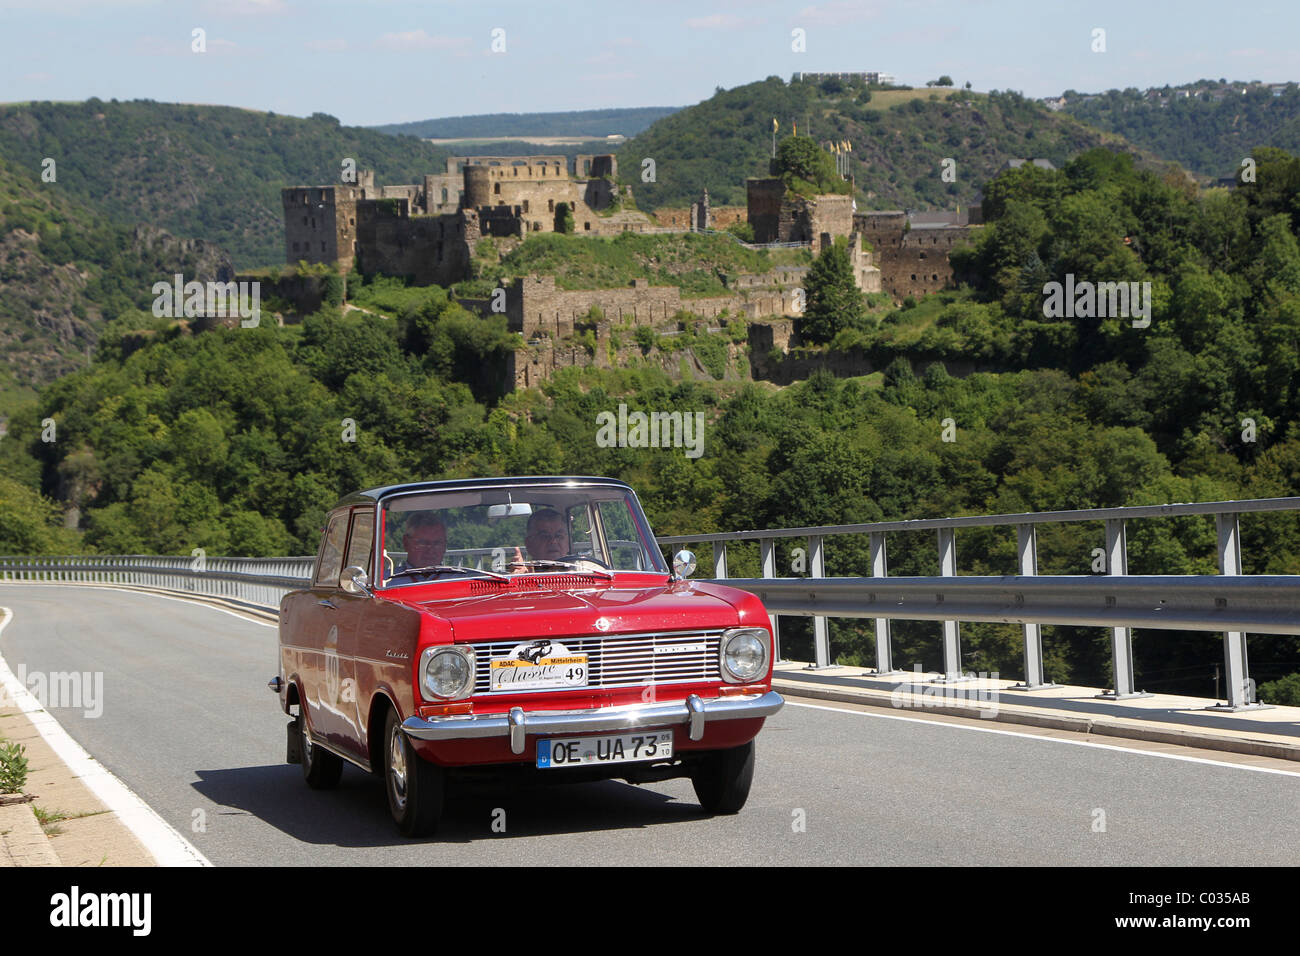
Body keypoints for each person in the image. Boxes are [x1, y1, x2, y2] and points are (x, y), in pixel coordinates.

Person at [392, 513, 448, 579]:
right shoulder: (386, 582)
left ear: (444, 546)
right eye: (423, 543)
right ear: (406, 543)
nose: (430, 550)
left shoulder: (458, 581)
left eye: (437, 543)